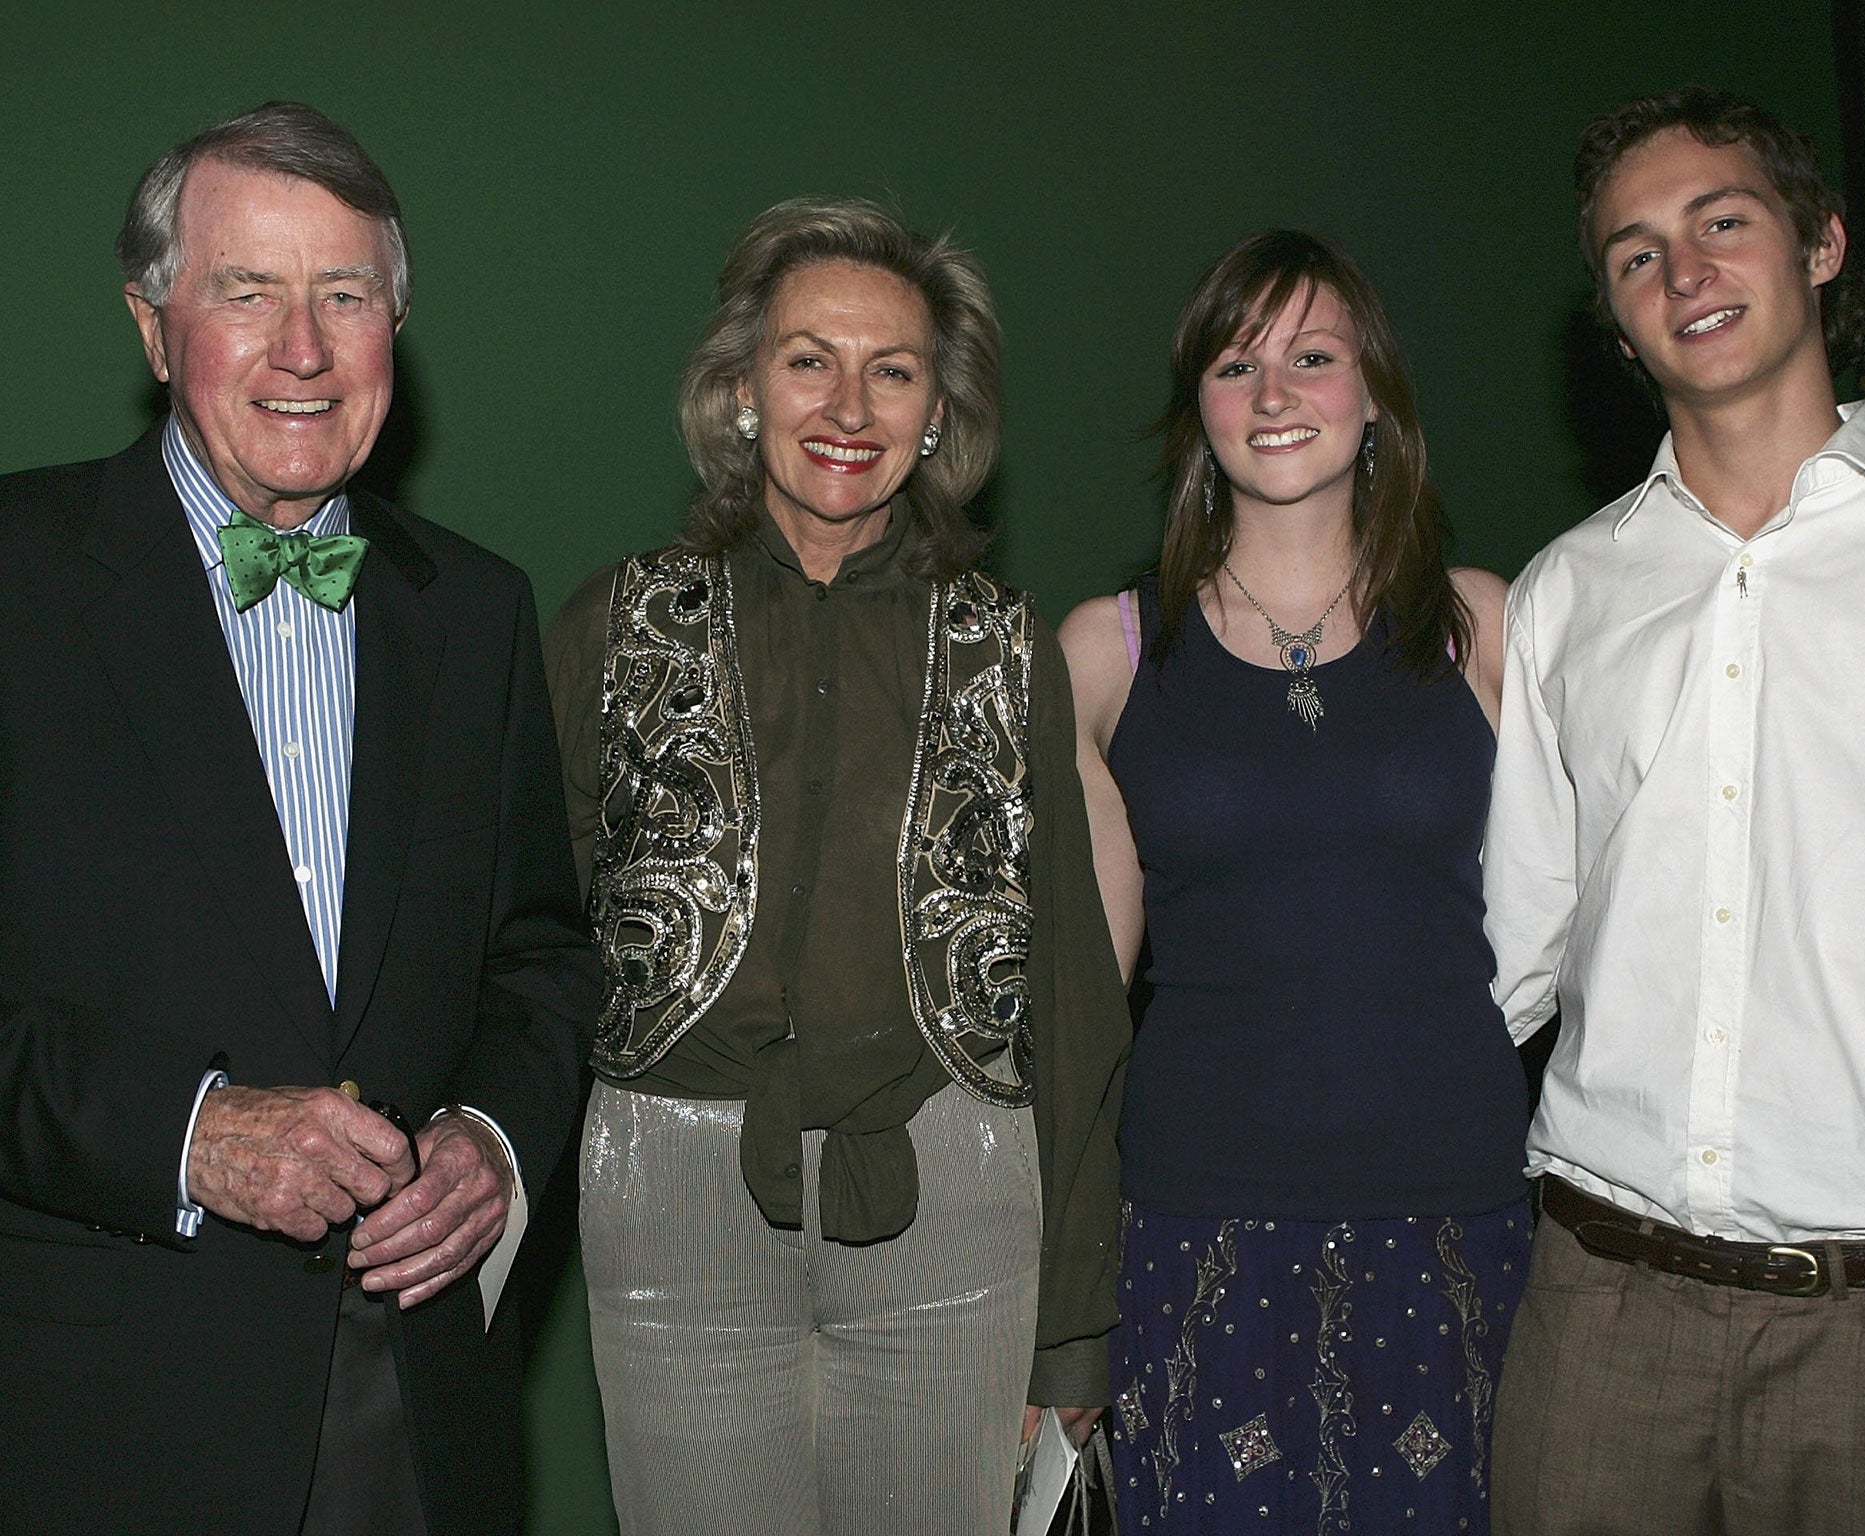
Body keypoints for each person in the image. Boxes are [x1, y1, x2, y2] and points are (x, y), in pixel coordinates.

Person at [0, 103, 599, 1536]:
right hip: (91, 1410)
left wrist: (492, 1146)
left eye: (346, 295)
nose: (305, 348)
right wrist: (189, 1135)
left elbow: (542, 959)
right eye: (246, 291)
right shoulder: (15, 581)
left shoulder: (478, 611)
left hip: (413, 1403)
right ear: (154, 327)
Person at [1484, 86, 1865, 1536]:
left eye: (1722, 222)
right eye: (1635, 253)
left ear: (1821, 246)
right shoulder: (1566, 592)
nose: (1683, 271)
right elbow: (1501, 968)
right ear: (1616, 326)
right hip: (1599, 1312)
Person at [544, 196, 1130, 1536]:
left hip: (951, 1199)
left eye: (894, 370)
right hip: (674, 1194)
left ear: (938, 414)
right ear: (743, 388)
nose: (848, 405)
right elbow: (527, 945)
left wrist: (1074, 1328)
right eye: (810, 357)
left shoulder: (1003, 645)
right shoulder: (617, 623)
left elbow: (1074, 994)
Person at [1060, 229, 1530, 1534]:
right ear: (1195, 408)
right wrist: (1057, 1294)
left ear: (1373, 393)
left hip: (1461, 1220)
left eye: (1314, 359)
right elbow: (1078, 1006)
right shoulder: (1105, 654)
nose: (1275, 395)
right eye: (1237, 363)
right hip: (1199, 1232)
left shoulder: (1484, 627)